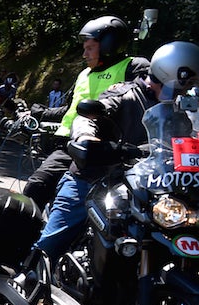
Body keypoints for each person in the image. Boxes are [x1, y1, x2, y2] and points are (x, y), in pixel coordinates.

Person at [34, 41, 199, 262]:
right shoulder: (125, 93)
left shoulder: (183, 107)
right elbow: (88, 116)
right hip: (94, 179)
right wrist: (86, 137)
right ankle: (28, 279)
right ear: (168, 73)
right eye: (185, 84)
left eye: (190, 85)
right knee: (52, 242)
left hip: (147, 190)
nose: (187, 90)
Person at [23, 15, 150, 210]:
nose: (84, 54)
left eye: (89, 48)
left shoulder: (133, 67)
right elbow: (72, 109)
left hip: (107, 151)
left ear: (109, 45)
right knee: (36, 187)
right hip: (70, 145)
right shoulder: (84, 74)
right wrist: (43, 113)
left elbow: (150, 101)